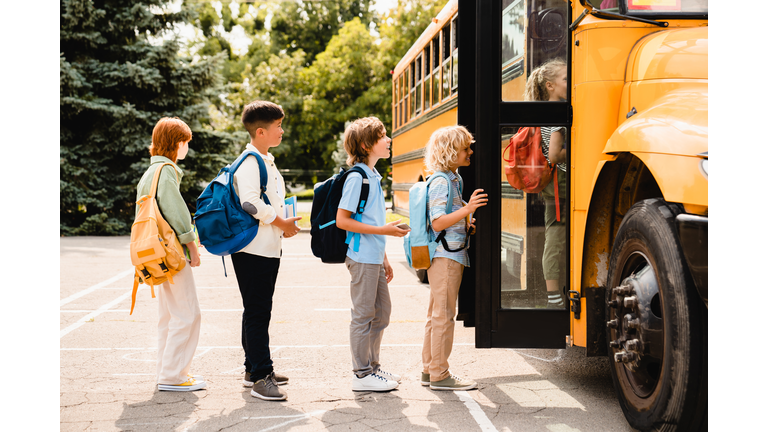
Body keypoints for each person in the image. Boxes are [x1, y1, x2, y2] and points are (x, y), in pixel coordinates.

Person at [231, 101, 302, 401]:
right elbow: (250, 202)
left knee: (255, 310)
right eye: (278, 126)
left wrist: (283, 222)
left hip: (265, 248)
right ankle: (262, 375)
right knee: (259, 312)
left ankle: (254, 369)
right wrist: (281, 221)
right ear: (261, 131)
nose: (282, 130)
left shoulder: (265, 159)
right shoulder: (250, 163)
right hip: (253, 250)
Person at [336, 117, 410, 392]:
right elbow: (343, 220)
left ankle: (372, 369)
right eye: (382, 136)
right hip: (362, 258)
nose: (388, 140)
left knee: (382, 314)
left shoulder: (372, 176)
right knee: (364, 315)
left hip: (374, 257)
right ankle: (361, 374)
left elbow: (370, 220)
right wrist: (384, 231)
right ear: (367, 145)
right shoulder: (357, 177)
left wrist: (385, 257)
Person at [135, 117, 205, 392]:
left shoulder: (149, 173)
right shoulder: (166, 171)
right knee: (188, 313)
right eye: (186, 142)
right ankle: (174, 375)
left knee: (169, 314)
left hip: (153, 253)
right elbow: (177, 213)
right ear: (177, 143)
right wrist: (191, 246)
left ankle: (166, 371)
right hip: (170, 252)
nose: (187, 146)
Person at [419, 126, 487, 391]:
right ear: (450, 152)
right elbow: (437, 223)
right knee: (443, 316)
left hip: (449, 253)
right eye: (465, 148)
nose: (470, 152)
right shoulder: (440, 182)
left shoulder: (453, 179)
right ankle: (439, 374)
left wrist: (466, 220)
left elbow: (449, 218)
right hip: (445, 256)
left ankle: (429, 370)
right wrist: (468, 209)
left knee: (436, 314)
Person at [525, 58, 568, 308]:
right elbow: (554, 155)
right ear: (550, 85)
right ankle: (553, 294)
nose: (569, 82)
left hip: (552, 183)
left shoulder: (545, 110)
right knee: (555, 236)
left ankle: (554, 291)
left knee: (555, 233)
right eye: (565, 79)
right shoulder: (557, 113)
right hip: (560, 180)